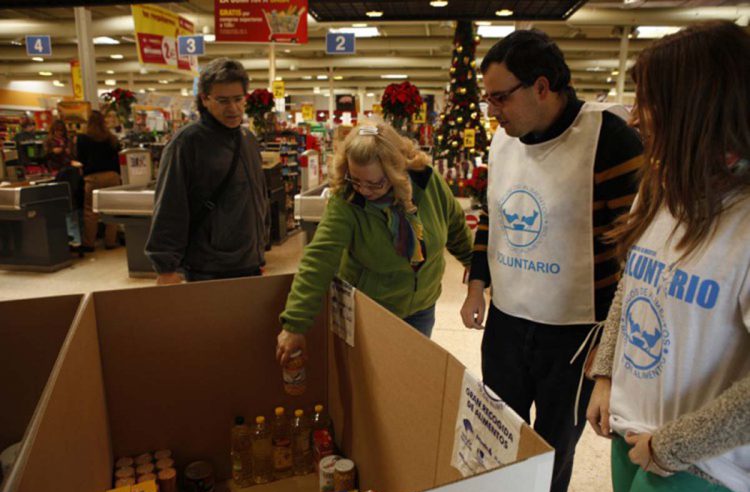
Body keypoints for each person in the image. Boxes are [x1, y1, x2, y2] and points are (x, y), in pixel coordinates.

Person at [459, 30, 644, 492]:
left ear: (542, 87)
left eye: (501, 98)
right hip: (508, 322)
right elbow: (493, 218)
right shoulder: (504, 141)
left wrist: (612, 344)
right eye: (488, 99)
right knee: (500, 431)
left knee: (554, 444)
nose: (492, 111)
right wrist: (477, 284)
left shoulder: (610, 138)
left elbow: (638, 249)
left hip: (576, 330)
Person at [586, 21, 750, 492]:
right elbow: (634, 285)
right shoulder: (661, 189)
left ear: (696, 109)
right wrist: (606, 375)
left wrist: (672, 445)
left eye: (649, 102)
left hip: (702, 466)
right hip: (635, 430)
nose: (634, 118)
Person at [275, 119, 473, 366]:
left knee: (412, 377)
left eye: (374, 183)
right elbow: (319, 259)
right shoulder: (347, 200)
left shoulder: (427, 183)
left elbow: (455, 226)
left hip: (422, 307)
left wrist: (477, 273)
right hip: (373, 312)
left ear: (397, 170)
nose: (364, 191)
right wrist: (295, 324)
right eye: (355, 180)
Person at [145, 57, 268, 284]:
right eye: (222, 101)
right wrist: (165, 268)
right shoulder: (187, 143)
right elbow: (170, 204)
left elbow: (257, 196)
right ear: (205, 99)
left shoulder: (247, 139)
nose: (232, 108)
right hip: (209, 268)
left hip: (249, 263)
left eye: (238, 99)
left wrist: (259, 251)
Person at [75, 110, 121, 252]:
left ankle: (89, 244)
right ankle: (110, 242)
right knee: (112, 209)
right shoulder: (112, 138)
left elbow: (80, 159)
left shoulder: (82, 138)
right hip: (112, 176)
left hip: (93, 177)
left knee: (90, 211)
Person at [47, 119, 83, 250]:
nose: (59, 133)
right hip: (61, 176)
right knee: (69, 209)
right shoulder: (51, 143)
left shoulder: (68, 142)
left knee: (71, 209)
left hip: (68, 176)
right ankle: (73, 239)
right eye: (57, 131)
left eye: (61, 131)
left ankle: (74, 239)